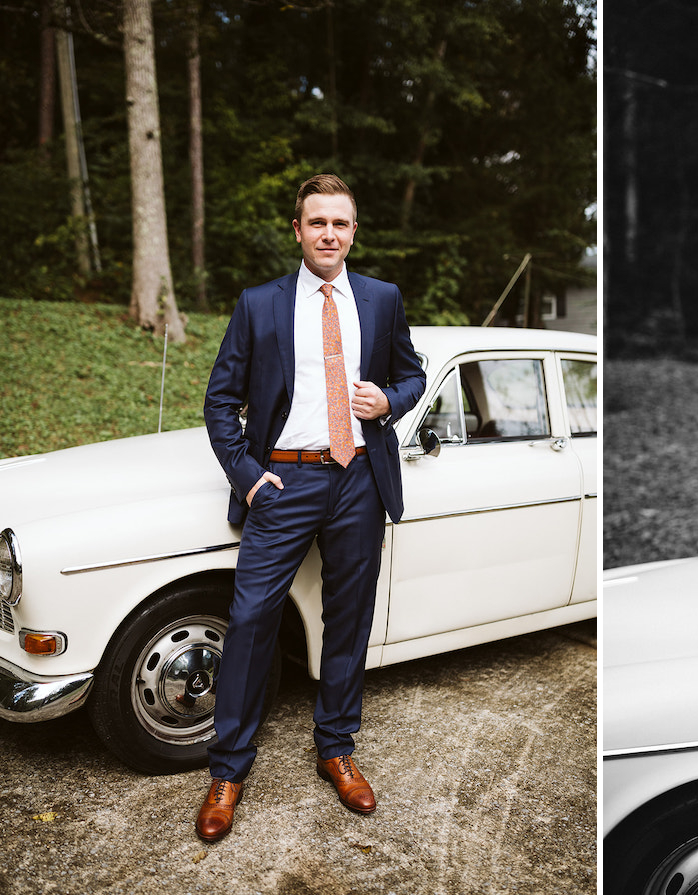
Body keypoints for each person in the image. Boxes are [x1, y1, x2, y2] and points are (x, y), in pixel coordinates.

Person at [196, 173, 426, 842]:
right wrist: (246, 475)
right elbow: (220, 401)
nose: (330, 233)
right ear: (297, 230)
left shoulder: (382, 299)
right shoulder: (260, 304)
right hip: (285, 483)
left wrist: (389, 399)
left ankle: (337, 748)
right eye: (318, 221)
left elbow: (411, 372)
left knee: (348, 619)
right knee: (250, 618)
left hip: (359, 478)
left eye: (342, 223)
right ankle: (229, 767)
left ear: (355, 231)